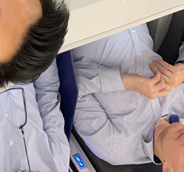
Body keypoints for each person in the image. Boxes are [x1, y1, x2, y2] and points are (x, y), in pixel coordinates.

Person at [72, 23, 184, 169]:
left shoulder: (113, 147)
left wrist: (126, 82)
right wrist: (182, 68)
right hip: (135, 14)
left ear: (168, 169)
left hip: (85, 25)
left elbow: (70, 85)